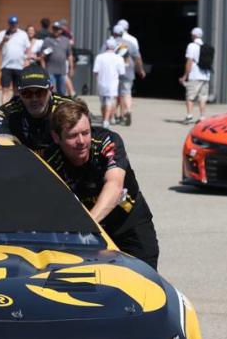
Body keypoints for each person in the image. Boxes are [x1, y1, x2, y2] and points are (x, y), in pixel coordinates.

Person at [49, 99, 159, 269]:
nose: (81, 141)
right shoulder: (50, 160)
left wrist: (88, 225)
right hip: (85, 235)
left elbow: (114, 186)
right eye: (72, 135)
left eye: (86, 133)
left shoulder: (107, 142)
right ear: (56, 137)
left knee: (145, 286)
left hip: (129, 225)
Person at [0, 64, 73, 170]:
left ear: (50, 90)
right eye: (27, 93)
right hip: (22, 168)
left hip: (61, 169)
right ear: (19, 93)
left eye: (40, 92)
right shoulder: (7, 111)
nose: (34, 99)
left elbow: (88, 138)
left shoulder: (67, 107)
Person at [114, 20, 145, 126]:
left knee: (116, 95)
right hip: (128, 71)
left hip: (114, 72)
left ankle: (116, 115)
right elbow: (137, 57)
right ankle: (127, 111)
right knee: (126, 93)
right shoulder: (132, 41)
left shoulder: (111, 42)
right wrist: (140, 69)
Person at [0, 15, 30, 104]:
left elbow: (28, 49)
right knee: (5, 90)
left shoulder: (23, 34)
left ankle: (15, 110)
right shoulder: (2, 34)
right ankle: (4, 110)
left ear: (17, 24)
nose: (13, 26)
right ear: (8, 24)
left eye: (15, 24)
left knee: (17, 91)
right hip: (6, 66)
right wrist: (3, 41)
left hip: (19, 67)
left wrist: (27, 60)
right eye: (11, 24)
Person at [180, 27, 210, 124]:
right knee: (203, 97)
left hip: (195, 75)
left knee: (190, 96)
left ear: (193, 35)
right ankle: (202, 117)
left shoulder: (191, 46)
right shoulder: (206, 46)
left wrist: (185, 76)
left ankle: (189, 116)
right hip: (206, 75)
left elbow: (189, 62)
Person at [93, 38, 125, 128]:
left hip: (101, 83)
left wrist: (98, 80)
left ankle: (105, 119)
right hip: (112, 84)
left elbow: (95, 71)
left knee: (103, 103)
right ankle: (106, 120)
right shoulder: (119, 58)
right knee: (109, 102)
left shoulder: (99, 57)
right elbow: (121, 72)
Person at [39, 20, 74, 97]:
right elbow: (42, 56)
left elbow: (70, 55)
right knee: (51, 91)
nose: (55, 30)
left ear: (61, 30)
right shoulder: (47, 40)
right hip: (50, 71)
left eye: (57, 29)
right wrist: (43, 69)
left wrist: (71, 68)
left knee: (62, 91)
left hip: (62, 71)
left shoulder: (66, 40)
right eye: (54, 28)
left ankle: (60, 107)